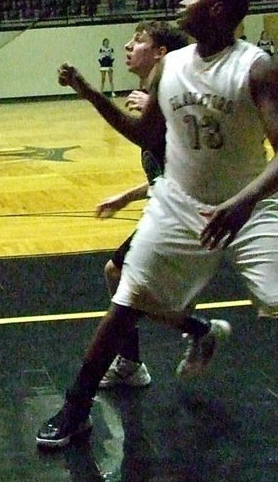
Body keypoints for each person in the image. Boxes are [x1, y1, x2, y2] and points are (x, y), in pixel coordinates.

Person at [37, 0, 278, 480]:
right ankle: (74, 411)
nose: (182, 1)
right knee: (125, 304)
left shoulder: (257, 67)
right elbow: (145, 134)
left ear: (219, 9)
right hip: (178, 203)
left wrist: (243, 201)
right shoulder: (170, 66)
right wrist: (90, 92)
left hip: (253, 206)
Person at [62, 21, 193, 389]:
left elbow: (192, 160)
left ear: (160, 53)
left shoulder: (174, 96)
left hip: (188, 212)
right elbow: (169, 172)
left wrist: (88, 91)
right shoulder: (155, 93)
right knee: (119, 275)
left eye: (138, 40)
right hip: (174, 206)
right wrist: (127, 196)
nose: (127, 45)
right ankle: (141, 357)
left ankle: (191, 333)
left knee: (121, 277)